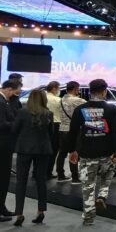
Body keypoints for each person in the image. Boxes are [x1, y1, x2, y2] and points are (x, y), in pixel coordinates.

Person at [67, 79, 116, 226]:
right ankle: (102, 196)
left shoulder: (80, 109)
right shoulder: (112, 109)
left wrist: (72, 150)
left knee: (88, 186)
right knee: (107, 176)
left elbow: (72, 132)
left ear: (90, 91)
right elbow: (115, 132)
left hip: (86, 154)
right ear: (104, 91)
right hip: (106, 153)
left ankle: (88, 217)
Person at [12, 90, 53, 226]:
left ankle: (19, 214)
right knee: (41, 180)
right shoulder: (48, 113)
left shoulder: (22, 112)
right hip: (43, 150)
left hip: (24, 149)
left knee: (21, 181)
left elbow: (14, 129)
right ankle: (41, 211)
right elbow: (51, 134)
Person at [0, 79, 22, 222]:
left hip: (5, 146)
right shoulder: (1, 103)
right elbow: (2, 124)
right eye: (14, 92)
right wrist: (17, 124)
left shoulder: (5, 102)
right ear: (8, 89)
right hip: (3, 146)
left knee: (4, 179)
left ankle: (2, 208)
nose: (15, 95)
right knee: (2, 179)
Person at [58, 81, 86, 183]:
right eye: (78, 89)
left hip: (62, 129)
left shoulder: (60, 100)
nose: (79, 90)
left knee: (62, 153)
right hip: (73, 130)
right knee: (74, 152)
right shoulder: (79, 101)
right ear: (75, 89)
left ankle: (60, 175)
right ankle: (75, 177)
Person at [45, 81, 62, 179]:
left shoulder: (43, 98)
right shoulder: (57, 100)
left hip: (44, 125)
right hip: (56, 125)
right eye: (58, 88)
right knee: (54, 149)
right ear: (54, 89)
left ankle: (37, 171)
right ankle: (48, 172)